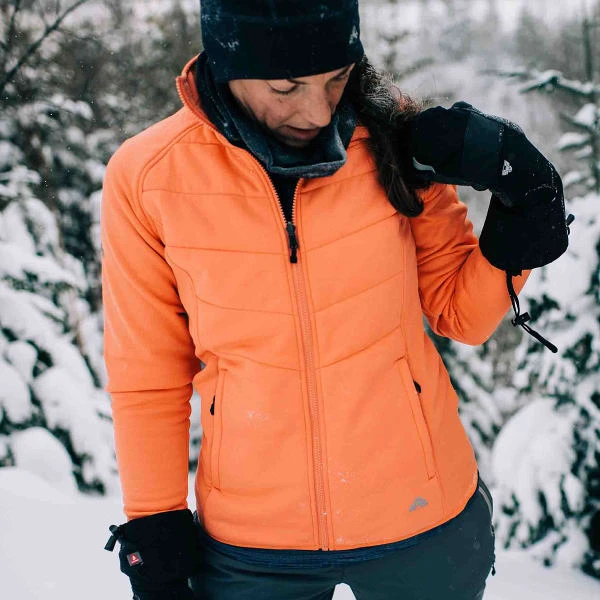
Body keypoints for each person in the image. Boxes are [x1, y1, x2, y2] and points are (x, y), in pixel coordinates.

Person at [101, 1, 570, 599]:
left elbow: (463, 315)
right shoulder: (149, 177)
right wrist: (155, 524)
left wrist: (522, 216)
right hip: (254, 543)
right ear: (226, 63)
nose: (317, 111)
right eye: (285, 87)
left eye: (336, 79)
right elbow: (149, 373)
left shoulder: (397, 140)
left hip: (423, 518)